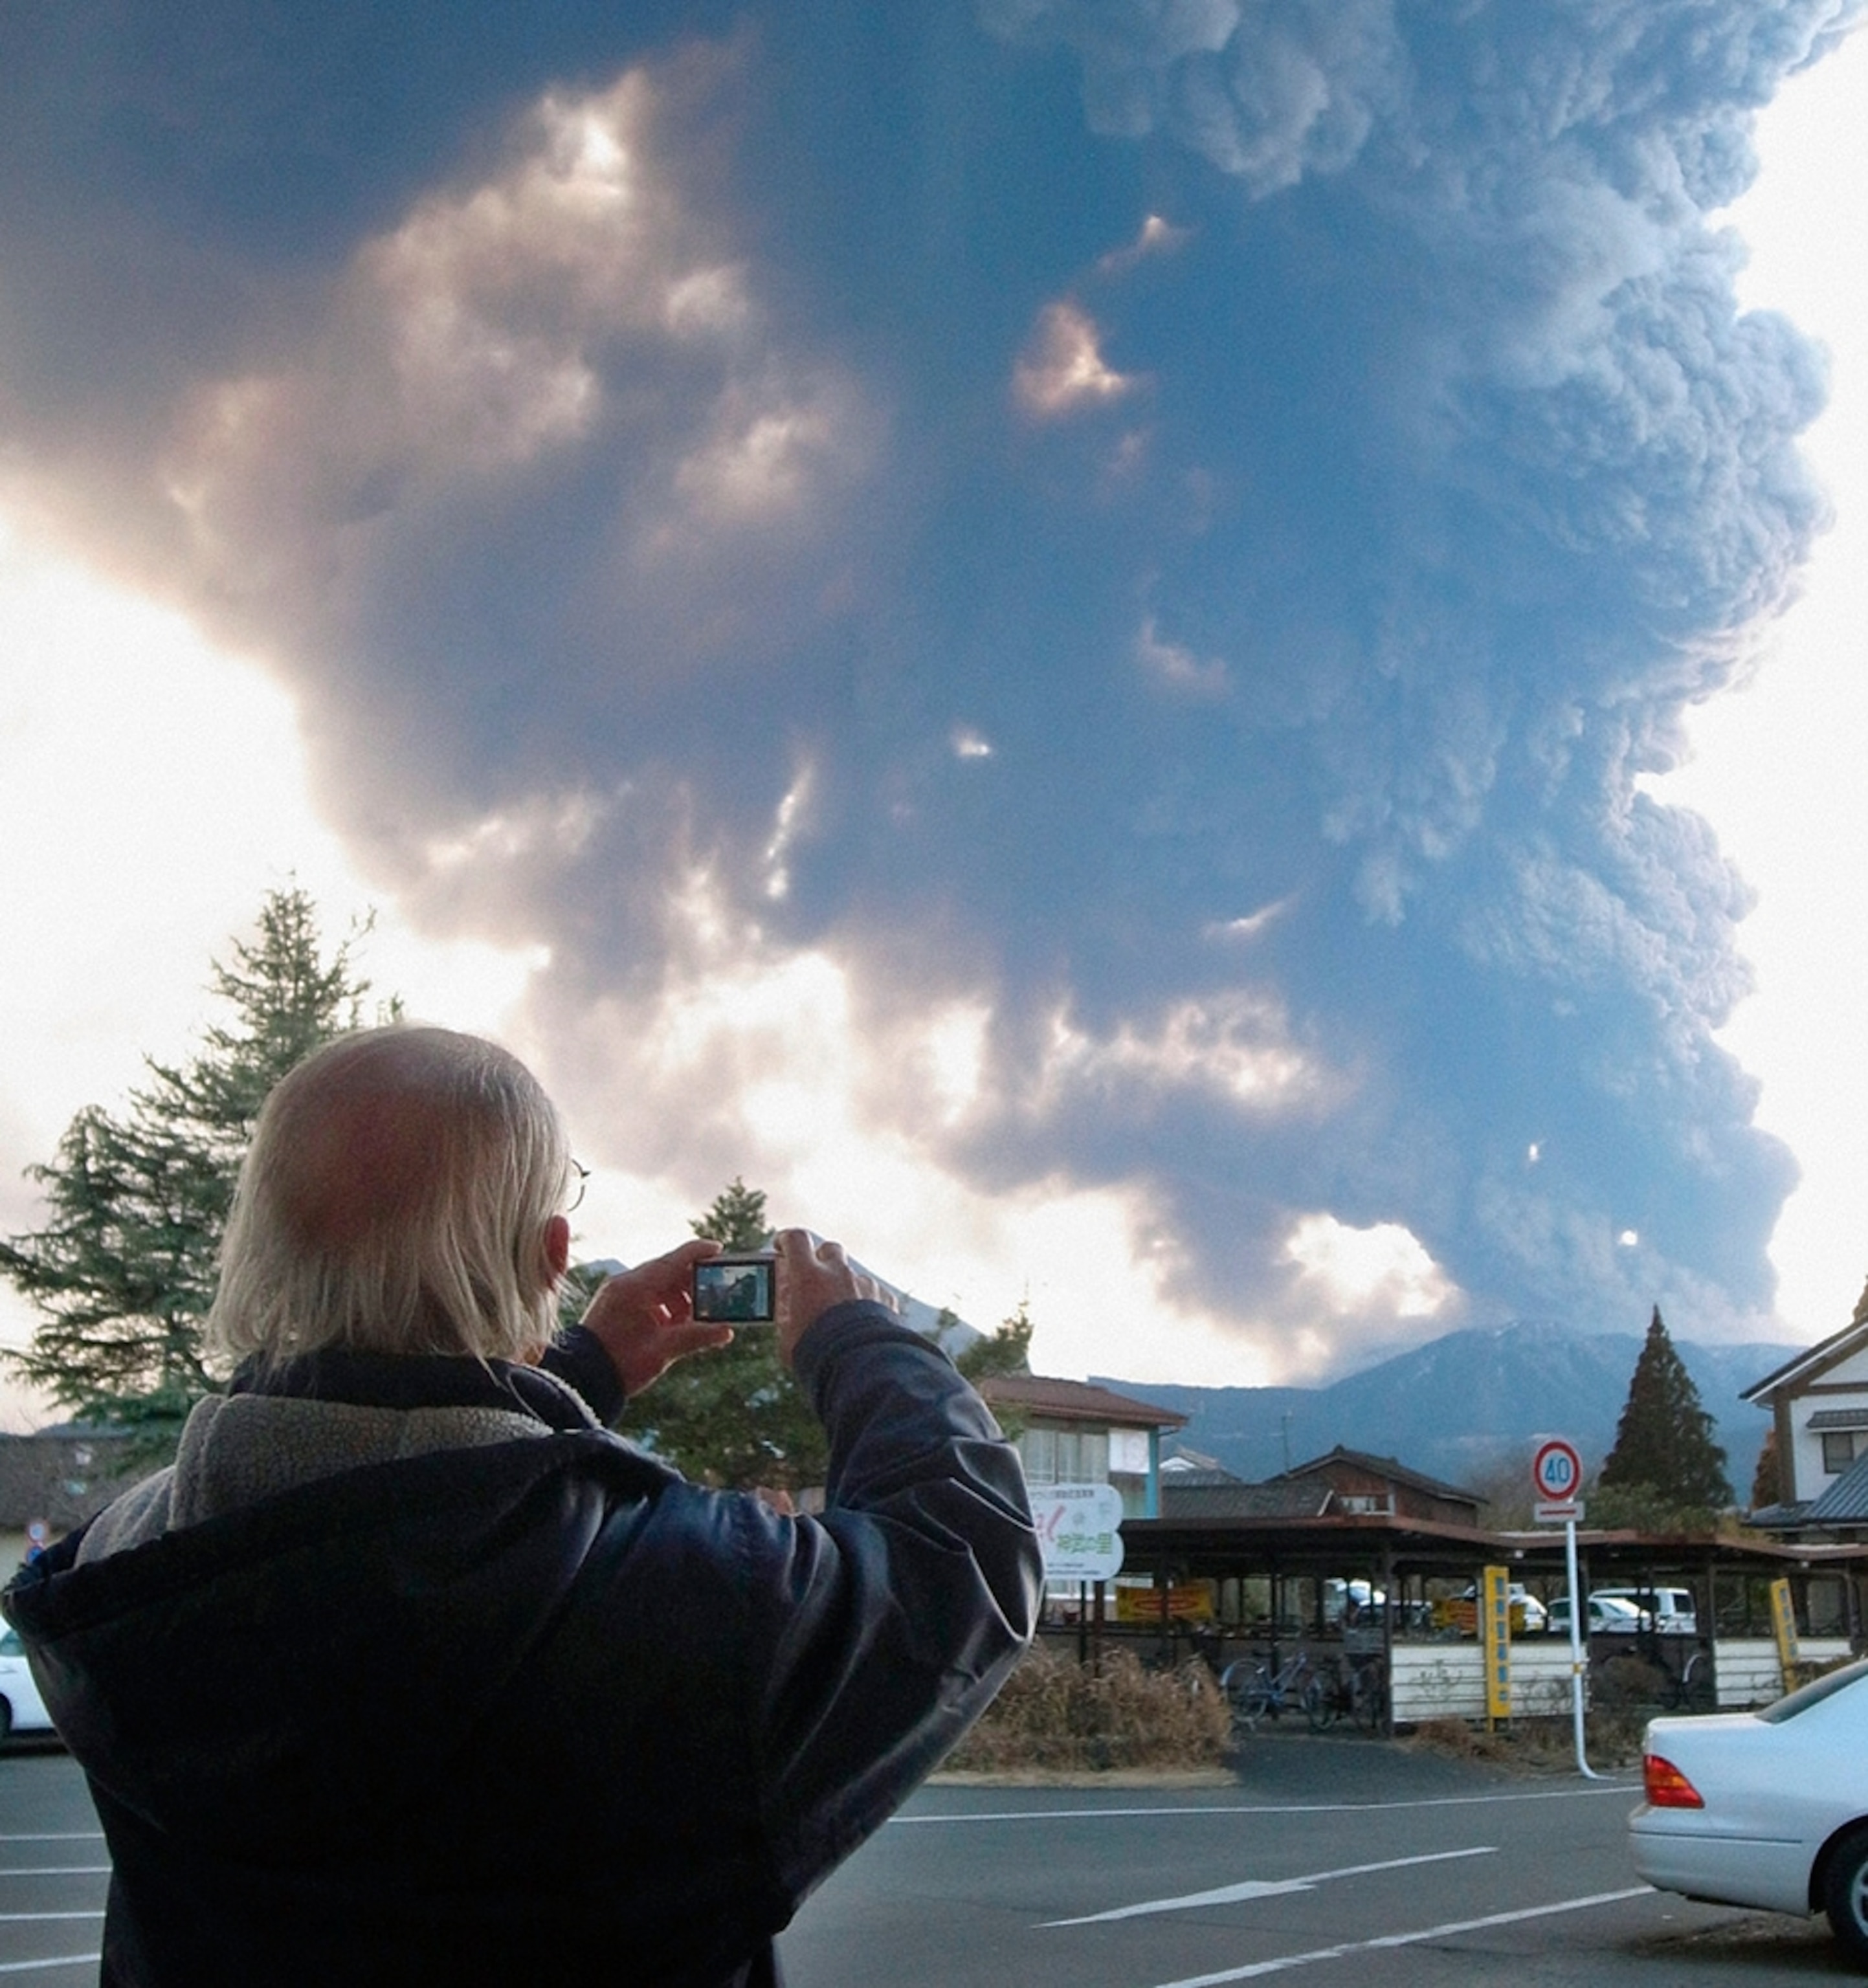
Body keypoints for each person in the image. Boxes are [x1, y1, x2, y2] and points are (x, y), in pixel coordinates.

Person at [3, 1026, 1040, 1987]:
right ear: (551, 1257)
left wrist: (575, 1372)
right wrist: (858, 1342)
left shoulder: (124, 1566)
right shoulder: (685, 1602)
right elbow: (961, 1556)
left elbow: (382, 1504)